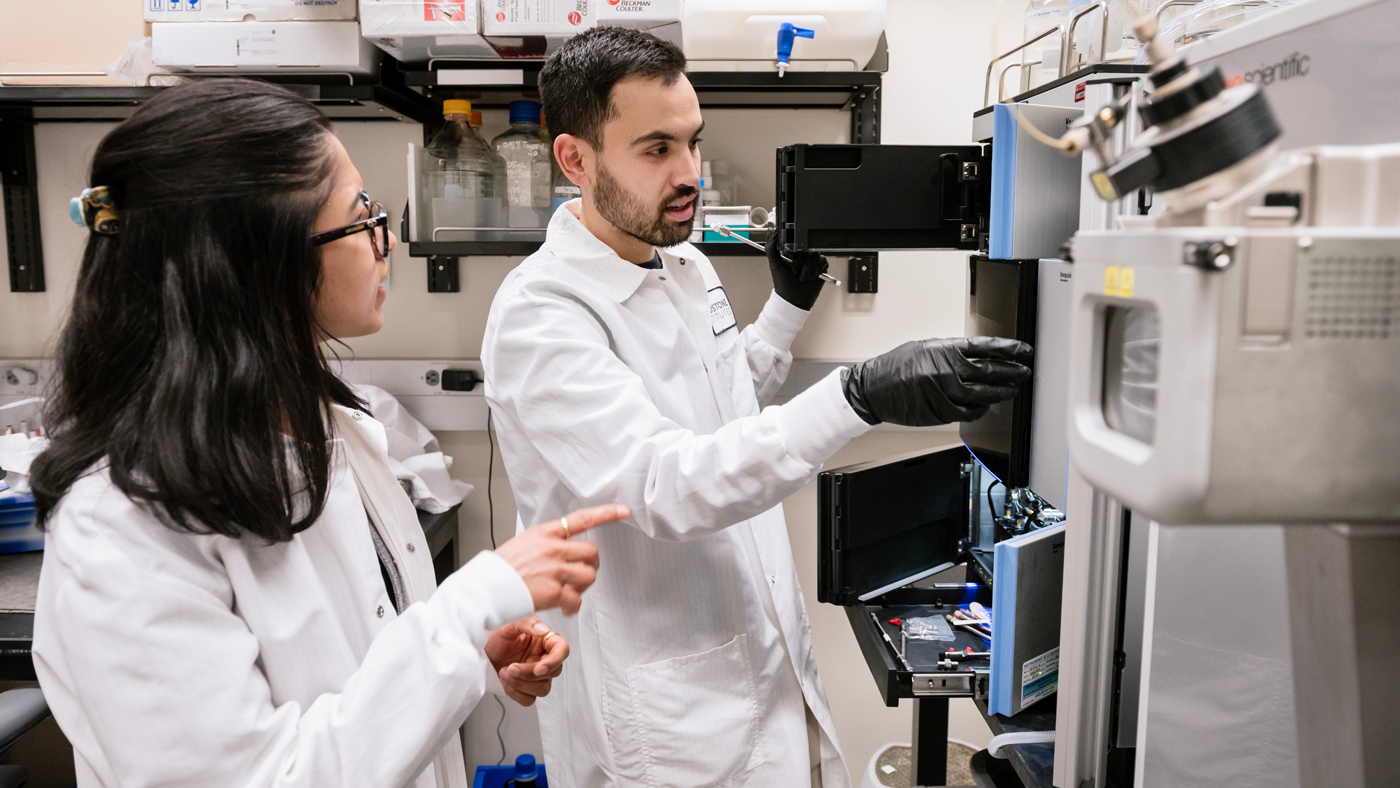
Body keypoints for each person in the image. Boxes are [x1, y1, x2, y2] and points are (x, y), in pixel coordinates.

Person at [28, 79, 626, 788]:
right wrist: (476, 599)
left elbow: (358, 669)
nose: (389, 238)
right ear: (257, 260)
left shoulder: (333, 430)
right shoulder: (123, 530)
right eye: (361, 215)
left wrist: (470, 646)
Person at [481, 28, 1033, 788]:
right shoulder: (541, 316)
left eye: (693, 143)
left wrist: (787, 307)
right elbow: (669, 483)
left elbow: (720, 409)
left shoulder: (683, 261)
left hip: (765, 665)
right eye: (656, 150)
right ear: (575, 159)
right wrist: (857, 393)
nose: (689, 175)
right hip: (668, 719)